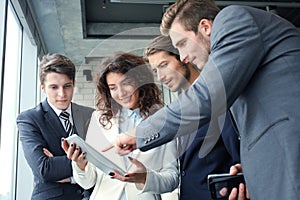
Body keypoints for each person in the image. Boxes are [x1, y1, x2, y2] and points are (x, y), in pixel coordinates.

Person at [112, 0, 300, 199]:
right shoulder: (238, 72)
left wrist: (141, 133)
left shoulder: (234, 19)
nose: (183, 56)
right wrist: (248, 168)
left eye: (182, 44)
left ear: (205, 27)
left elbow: (206, 97)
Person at [61, 52, 179, 200]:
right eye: (113, 87)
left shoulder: (164, 120)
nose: (121, 93)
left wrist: (145, 178)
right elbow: (87, 182)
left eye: (126, 83)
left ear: (140, 81)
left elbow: (173, 179)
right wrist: (79, 164)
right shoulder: (100, 120)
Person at [144, 35, 240, 200]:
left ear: (183, 57)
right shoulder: (179, 108)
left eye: (164, 65)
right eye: (155, 70)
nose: (160, 77)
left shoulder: (215, 98)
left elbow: (239, 159)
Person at [16, 53, 95, 199]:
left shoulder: (91, 115)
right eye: (54, 87)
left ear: (74, 84)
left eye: (67, 86)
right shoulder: (29, 119)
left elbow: (103, 160)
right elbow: (44, 169)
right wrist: (85, 160)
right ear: (43, 88)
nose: (62, 94)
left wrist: (66, 170)